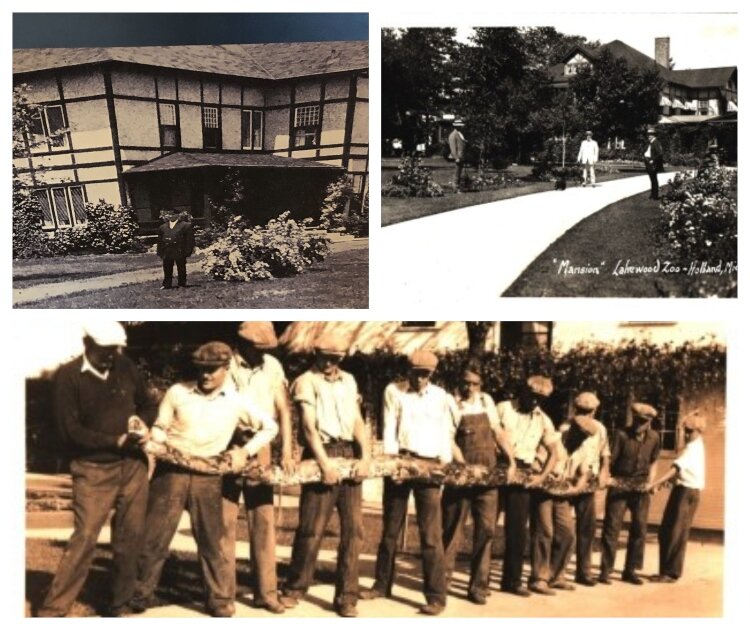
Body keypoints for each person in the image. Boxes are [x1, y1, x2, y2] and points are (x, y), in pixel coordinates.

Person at [130, 342, 277, 618]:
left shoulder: (237, 400)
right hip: (170, 471)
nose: (206, 375)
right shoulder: (178, 392)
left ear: (227, 368)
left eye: (212, 370)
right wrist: (153, 437)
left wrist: (244, 451)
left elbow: (271, 427)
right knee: (154, 536)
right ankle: (138, 594)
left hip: (208, 476)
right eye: (202, 369)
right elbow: (161, 426)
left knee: (212, 542)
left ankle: (219, 601)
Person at [37, 322, 157, 617]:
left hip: (133, 466)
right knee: (85, 538)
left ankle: (119, 604)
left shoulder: (125, 367)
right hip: (92, 470)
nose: (110, 355)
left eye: (114, 349)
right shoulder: (68, 378)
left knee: (130, 537)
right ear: (87, 342)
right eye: (104, 349)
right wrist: (114, 440)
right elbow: (69, 431)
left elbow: (148, 404)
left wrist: (142, 422)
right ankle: (53, 610)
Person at [360, 350, 458, 615]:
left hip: (429, 467)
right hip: (401, 462)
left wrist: (443, 462)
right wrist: (393, 463)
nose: (419, 379)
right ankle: (381, 584)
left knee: (430, 534)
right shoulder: (394, 391)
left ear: (432, 374)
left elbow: (446, 430)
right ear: (408, 371)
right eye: (415, 373)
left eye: (425, 374)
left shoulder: (441, 397)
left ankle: (436, 596)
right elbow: (389, 426)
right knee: (390, 529)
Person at [280, 333, 371, 618]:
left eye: (336, 358)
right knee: (311, 529)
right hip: (320, 453)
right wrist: (324, 463)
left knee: (354, 531)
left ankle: (347, 596)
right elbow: (308, 427)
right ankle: (295, 588)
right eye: (326, 357)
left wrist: (366, 456)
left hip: (349, 454)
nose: (331, 363)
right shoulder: (306, 381)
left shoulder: (349, 381)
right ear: (316, 354)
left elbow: (357, 421)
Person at [222, 322, 294, 614]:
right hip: (229, 445)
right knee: (225, 523)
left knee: (263, 521)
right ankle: (223, 595)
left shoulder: (272, 365)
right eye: (258, 349)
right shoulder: (226, 365)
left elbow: (283, 408)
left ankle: (266, 593)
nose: (262, 354)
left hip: (261, 444)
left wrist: (287, 448)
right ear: (244, 343)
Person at [441, 362, 515, 605]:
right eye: (465, 382)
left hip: (488, 477)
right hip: (462, 476)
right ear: (459, 381)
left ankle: (478, 587)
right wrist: (463, 465)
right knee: (452, 531)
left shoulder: (487, 401)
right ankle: (441, 583)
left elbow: (497, 431)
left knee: (486, 532)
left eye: (474, 383)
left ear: (480, 384)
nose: (469, 387)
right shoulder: (450, 402)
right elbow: (448, 438)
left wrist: (511, 460)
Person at [496, 375, 559, 597]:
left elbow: (554, 453)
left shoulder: (543, 419)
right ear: (523, 390)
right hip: (496, 468)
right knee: (485, 528)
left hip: (523, 473)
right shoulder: (503, 408)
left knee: (517, 531)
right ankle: (479, 581)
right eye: (533, 396)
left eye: (541, 399)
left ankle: (511, 581)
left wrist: (541, 477)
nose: (535, 402)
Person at [599, 402, 661, 585]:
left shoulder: (655, 437)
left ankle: (630, 570)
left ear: (649, 422)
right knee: (612, 527)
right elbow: (609, 459)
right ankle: (605, 571)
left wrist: (651, 482)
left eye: (643, 421)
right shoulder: (621, 434)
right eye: (637, 420)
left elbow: (654, 461)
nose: (639, 424)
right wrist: (606, 477)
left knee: (639, 529)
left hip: (641, 486)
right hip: (620, 482)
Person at [556, 393, 611, 587]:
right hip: (568, 481)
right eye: (582, 411)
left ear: (595, 411)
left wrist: (604, 472)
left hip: (588, 480)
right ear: (575, 409)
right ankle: (558, 573)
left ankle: (584, 572)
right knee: (564, 530)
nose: (586, 415)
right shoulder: (565, 429)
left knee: (587, 528)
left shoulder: (601, 429)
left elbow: (605, 454)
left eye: (589, 412)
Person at [648, 411, 706, 583]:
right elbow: (682, 472)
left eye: (689, 431)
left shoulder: (693, 447)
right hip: (683, 490)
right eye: (685, 431)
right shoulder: (694, 446)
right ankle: (666, 571)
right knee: (667, 530)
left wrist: (655, 483)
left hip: (686, 492)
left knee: (675, 532)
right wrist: (664, 484)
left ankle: (670, 573)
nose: (686, 434)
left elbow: (676, 468)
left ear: (697, 431)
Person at [156, 208, 195, 289]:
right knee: (167, 268)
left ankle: (181, 283)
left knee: (181, 267)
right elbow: (160, 240)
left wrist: (188, 250)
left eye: (173, 214)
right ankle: (167, 284)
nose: (171, 216)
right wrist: (160, 251)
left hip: (179, 249)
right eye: (169, 214)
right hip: (167, 250)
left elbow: (189, 239)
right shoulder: (163, 227)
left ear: (177, 215)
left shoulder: (185, 225)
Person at [643, 127, 664, 200]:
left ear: (653, 135)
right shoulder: (651, 143)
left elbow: (659, 154)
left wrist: (653, 160)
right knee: (652, 179)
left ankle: (655, 195)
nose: (648, 136)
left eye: (650, 135)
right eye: (648, 135)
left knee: (654, 179)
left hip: (653, 164)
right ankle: (653, 194)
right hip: (649, 163)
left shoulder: (656, 142)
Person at [448, 119, 468, 192]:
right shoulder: (453, 135)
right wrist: (456, 157)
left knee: (459, 172)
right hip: (458, 156)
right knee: (456, 173)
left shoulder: (459, 133)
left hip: (461, 155)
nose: (461, 127)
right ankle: (455, 188)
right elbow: (453, 148)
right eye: (459, 126)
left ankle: (458, 187)